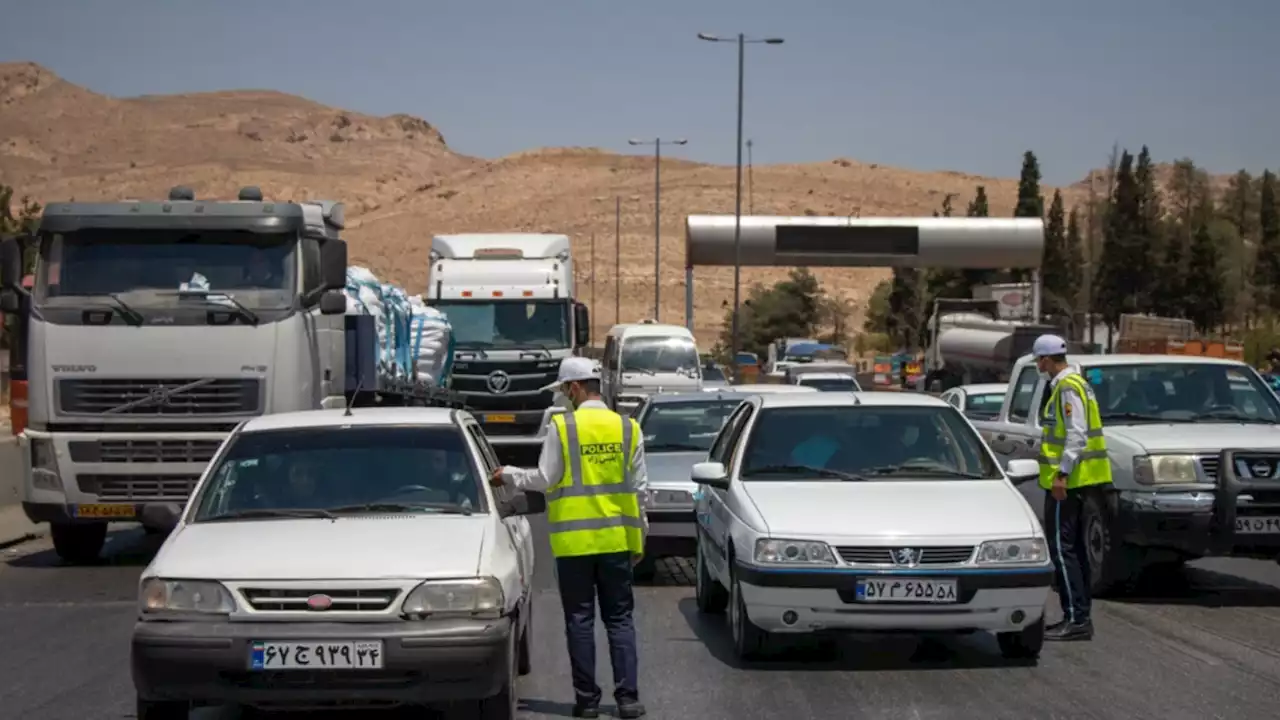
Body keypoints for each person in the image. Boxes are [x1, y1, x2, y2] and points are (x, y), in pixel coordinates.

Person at [489, 356, 648, 718]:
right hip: (617, 542)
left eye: (563, 390)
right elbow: (641, 492)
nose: (562, 397)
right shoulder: (628, 428)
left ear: (575, 388)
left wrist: (509, 474)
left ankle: (587, 703)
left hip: (574, 546)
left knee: (580, 621)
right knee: (620, 621)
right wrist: (639, 540)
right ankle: (628, 700)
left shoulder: (563, 429)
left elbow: (545, 479)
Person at [1033, 334, 1113, 642]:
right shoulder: (1075, 384)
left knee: (1063, 549)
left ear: (1046, 359)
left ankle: (1076, 618)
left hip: (1068, 481)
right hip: (1079, 479)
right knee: (1074, 549)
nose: (1039, 366)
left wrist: (1061, 474)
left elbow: (1077, 435)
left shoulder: (1067, 387)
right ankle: (1078, 615)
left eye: (1039, 360)